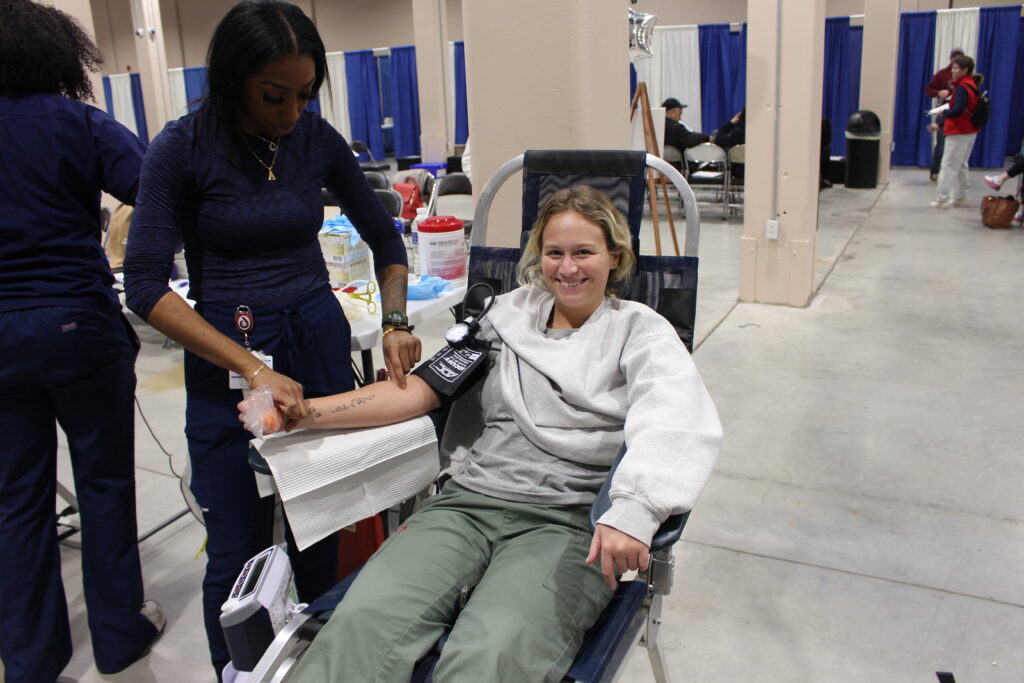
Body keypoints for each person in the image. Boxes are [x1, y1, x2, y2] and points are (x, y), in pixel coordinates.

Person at [248, 185, 722, 682]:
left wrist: (635, 510)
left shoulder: (639, 331)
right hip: (468, 505)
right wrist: (303, 413)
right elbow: (420, 390)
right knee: (362, 623)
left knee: (489, 655)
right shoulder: (505, 318)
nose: (568, 268)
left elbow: (674, 419)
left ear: (615, 258)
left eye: (584, 252)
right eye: (555, 253)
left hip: (569, 521)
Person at [123, 0, 420, 676]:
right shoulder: (182, 148)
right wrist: (253, 370)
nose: (292, 111)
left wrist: (396, 320)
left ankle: (317, 663)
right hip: (234, 352)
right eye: (273, 95)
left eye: (305, 93)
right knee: (237, 541)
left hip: (315, 340)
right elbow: (144, 286)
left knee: (320, 517)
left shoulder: (314, 140)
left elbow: (386, 239)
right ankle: (239, 671)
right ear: (232, 80)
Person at [0, 1, 164, 681]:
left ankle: (31, 660)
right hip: (76, 323)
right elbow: (157, 190)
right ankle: (119, 635)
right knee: (102, 482)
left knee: (16, 499)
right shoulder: (78, 122)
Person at [928, 55, 981, 209]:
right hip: (970, 130)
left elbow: (958, 110)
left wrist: (943, 113)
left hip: (959, 130)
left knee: (949, 165)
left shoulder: (962, 87)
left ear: (965, 70)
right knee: (961, 164)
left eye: (956, 68)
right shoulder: (971, 84)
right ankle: (959, 197)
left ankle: (942, 199)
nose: (952, 71)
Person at [926, 48, 965, 182]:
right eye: (954, 57)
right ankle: (935, 171)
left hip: (958, 112)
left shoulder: (965, 77)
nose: (956, 60)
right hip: (944, 111)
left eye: (959, 58)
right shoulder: (942, 74)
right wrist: (938, 92)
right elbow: (929, 90)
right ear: (950, 58)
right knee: (942, 143)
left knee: (957, 146)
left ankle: (953, 174)